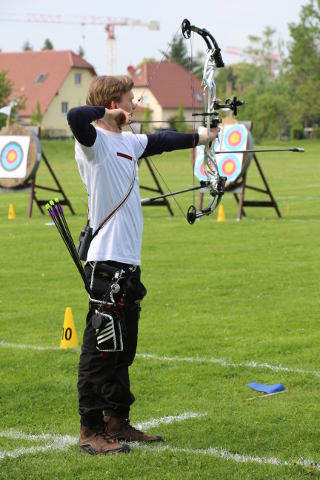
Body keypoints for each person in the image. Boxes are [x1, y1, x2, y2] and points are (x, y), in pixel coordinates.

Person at [67, 75, 219, 455]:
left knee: (122, 348)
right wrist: (109, 113)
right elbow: (74, 116)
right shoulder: (94, 143)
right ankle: (90, 428)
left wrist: (204, 137)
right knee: (100, 347)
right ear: (113, 104)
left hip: (129, 262)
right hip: (107, 259)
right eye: (130, 101)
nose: (135, 106)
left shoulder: (129, 143)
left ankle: (117, 421)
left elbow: (163, 140)